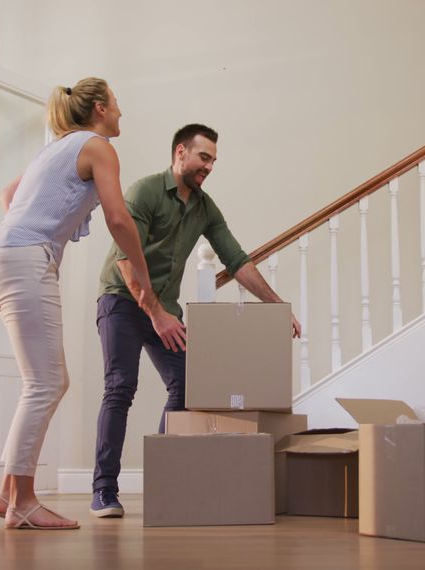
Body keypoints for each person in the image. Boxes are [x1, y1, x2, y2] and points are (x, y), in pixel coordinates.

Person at [89, 123, 301, 517]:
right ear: (180, 153)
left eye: (214, 160)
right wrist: (155, 312)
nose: (209, 167)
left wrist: (277, 306)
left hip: (164, 308)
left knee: (188, 385)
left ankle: (162, 476)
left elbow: (236, 259)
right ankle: (104, 490)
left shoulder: (205, 207)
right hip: (121, 299)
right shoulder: (145, 191)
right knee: (120, 388)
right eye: (204, 157)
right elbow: (124, 260)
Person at [0, 77, 162, 530]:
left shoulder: (56, 149)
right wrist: (143, 278)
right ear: (100, 108)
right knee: (44, 384)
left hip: (0, 259)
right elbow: (119, 219)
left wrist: (33, 228)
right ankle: (23, 502)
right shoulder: (98, 146)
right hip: (25, 260)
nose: (120, 112)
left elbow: (8, 196)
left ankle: (7, 494)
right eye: (116, 104)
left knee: (43, 382)